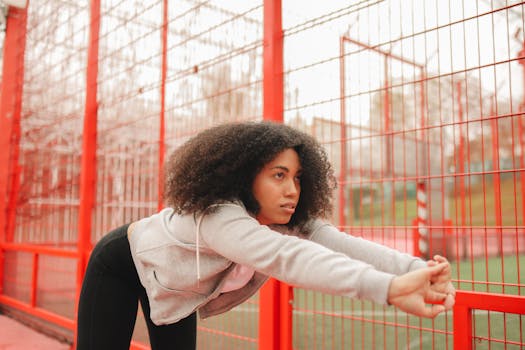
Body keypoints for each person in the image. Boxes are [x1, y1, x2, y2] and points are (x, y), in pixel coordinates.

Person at [76, 121, 455, 349]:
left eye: (297, 177)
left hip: (174, 288)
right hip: (121, 266)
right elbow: (288, 257)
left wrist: (412, 269)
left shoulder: (280, 216)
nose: (292, 190)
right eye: (278, 175)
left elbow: (341, 244)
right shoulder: (218, 216)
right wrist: (389, 288)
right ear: (244, 176)